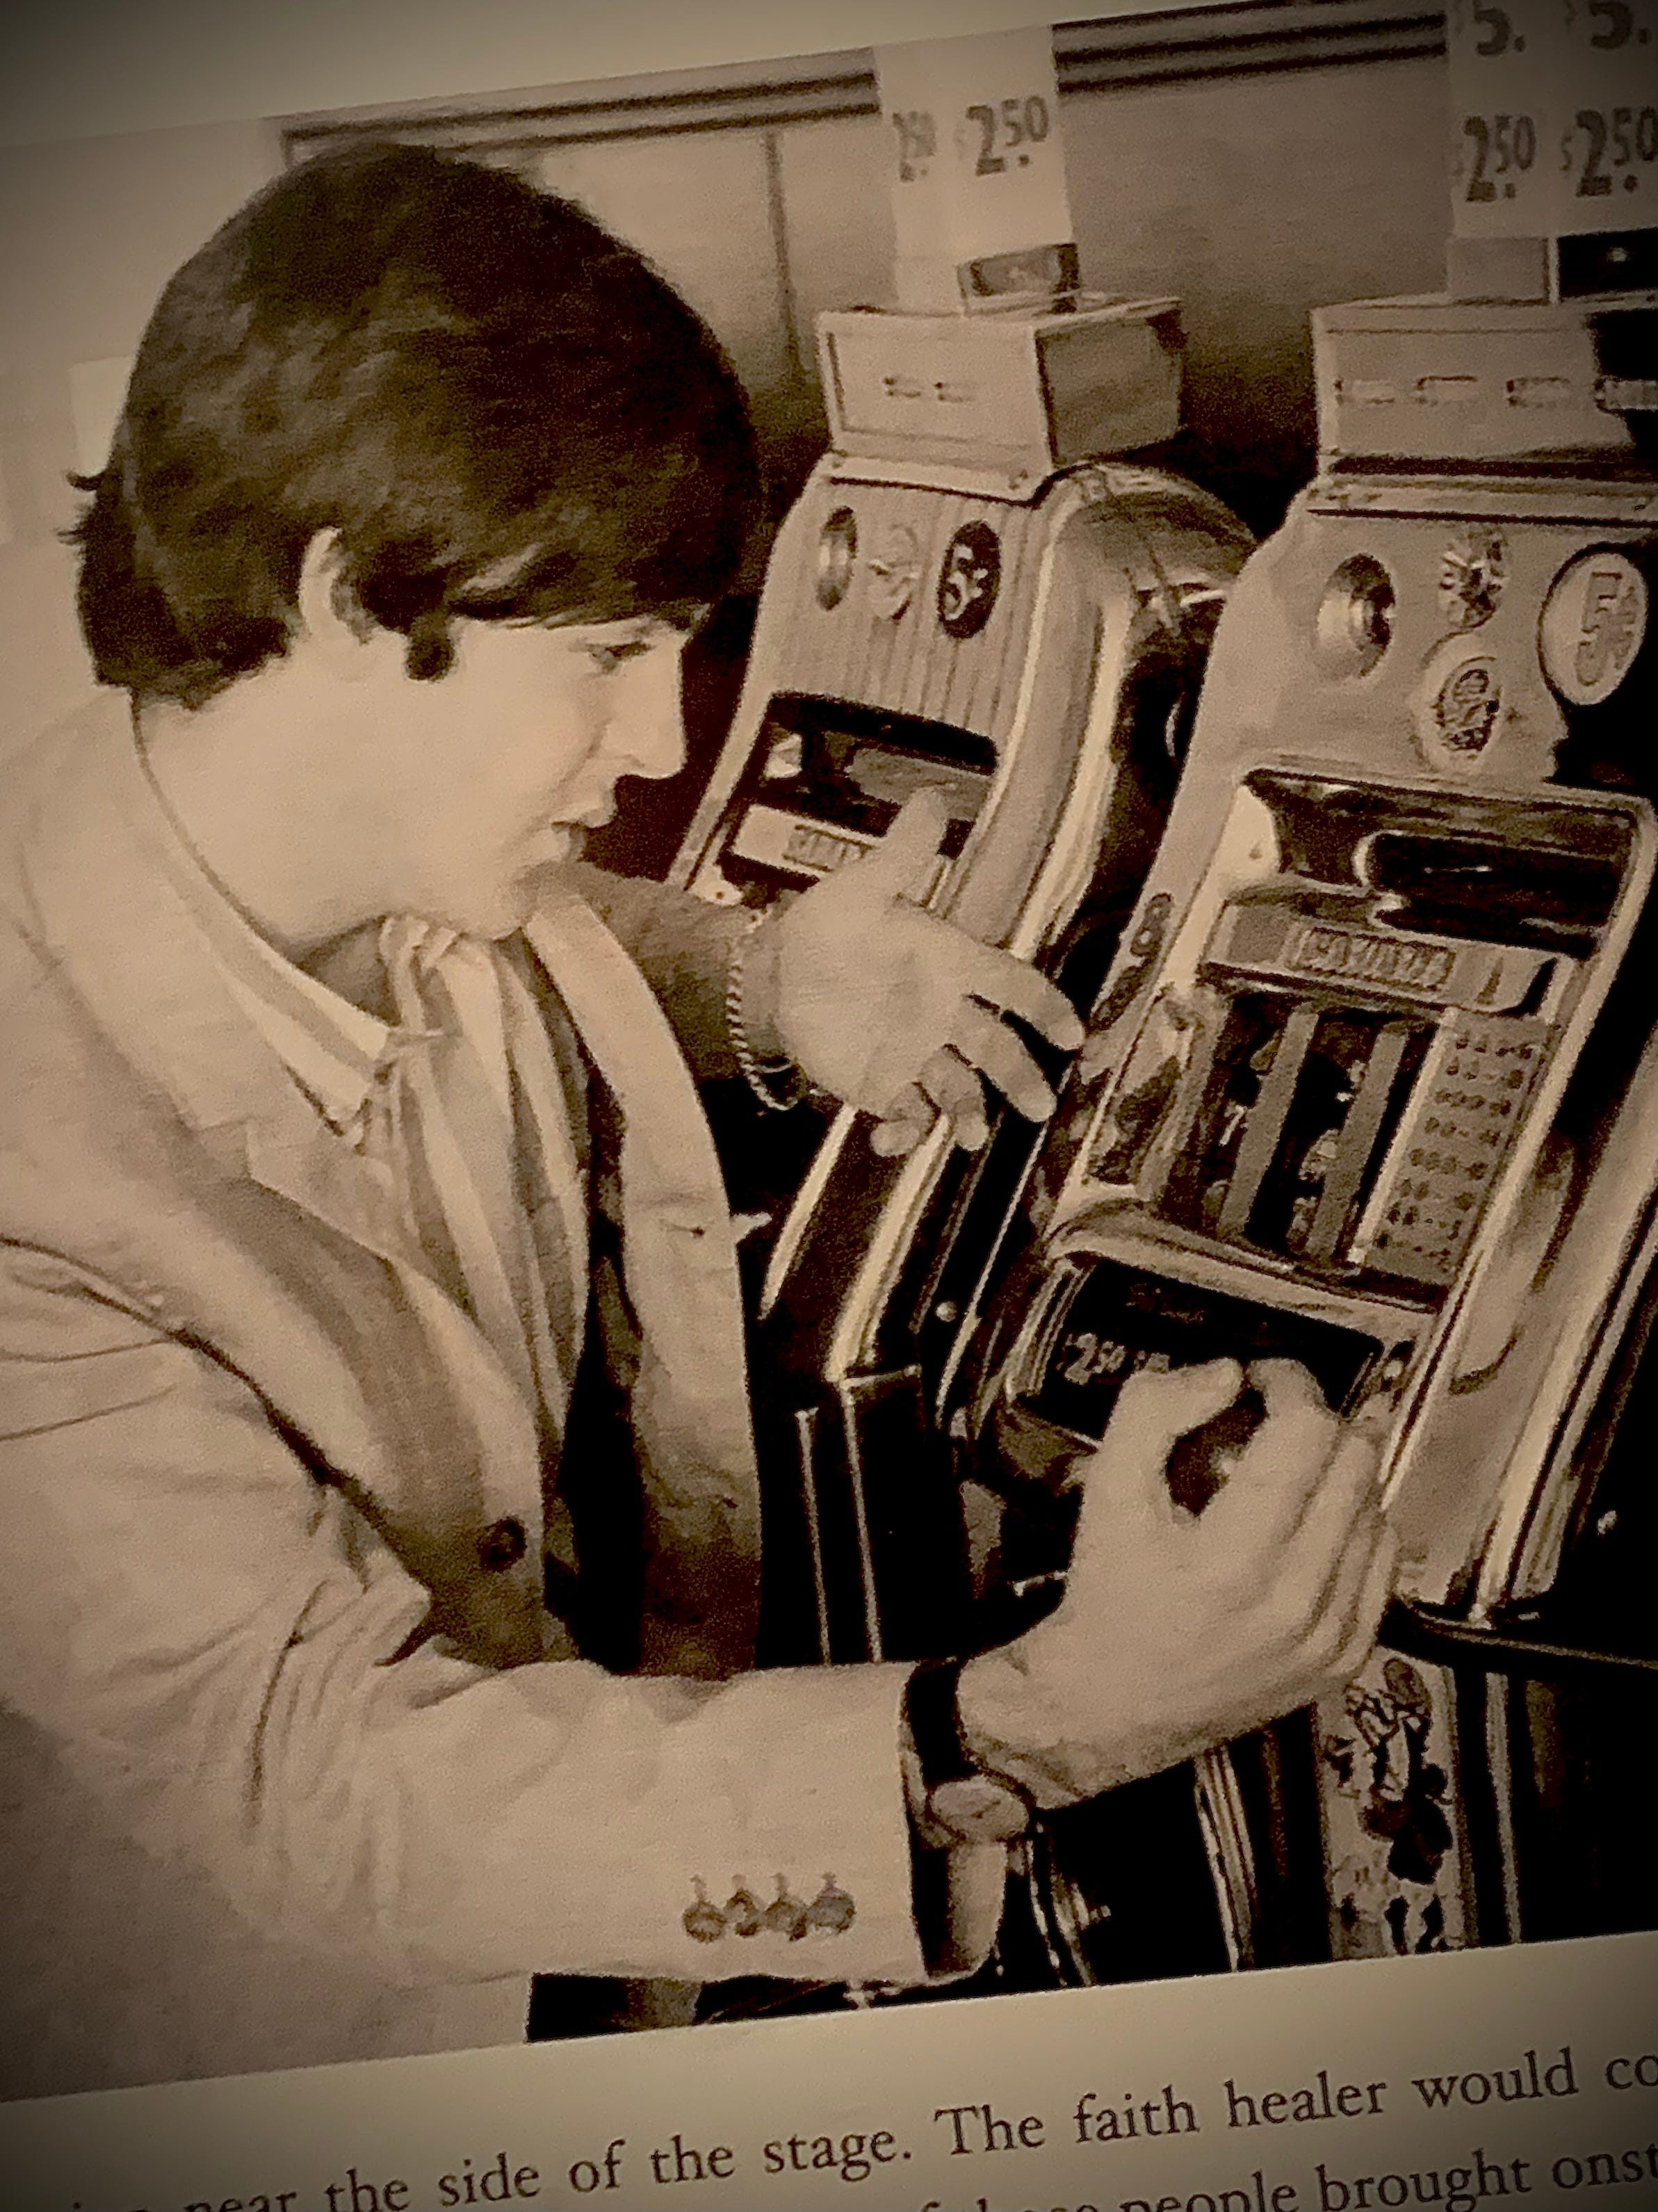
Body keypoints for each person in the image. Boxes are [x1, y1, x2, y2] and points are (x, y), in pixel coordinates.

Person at [0, 143, 1394, 2100]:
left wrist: (765, 984)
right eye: (601, 663)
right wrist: (1046, 1721)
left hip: (622, 1961)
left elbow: (530, 930)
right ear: (337, 593)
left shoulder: (345, 835)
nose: (659, 744)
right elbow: (324, 1785)